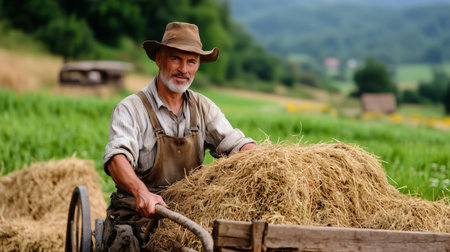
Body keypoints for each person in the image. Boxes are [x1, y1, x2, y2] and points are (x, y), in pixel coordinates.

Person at [102, 22, 257, 251]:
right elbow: (117, 158)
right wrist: (141, 192)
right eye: (176, 59)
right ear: (159, 59)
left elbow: (235, 144)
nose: (183, 69)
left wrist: (266, 158)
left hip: (188, 217)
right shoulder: (131, 108)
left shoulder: (203, 107)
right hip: (139, 217)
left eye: (191, 62)